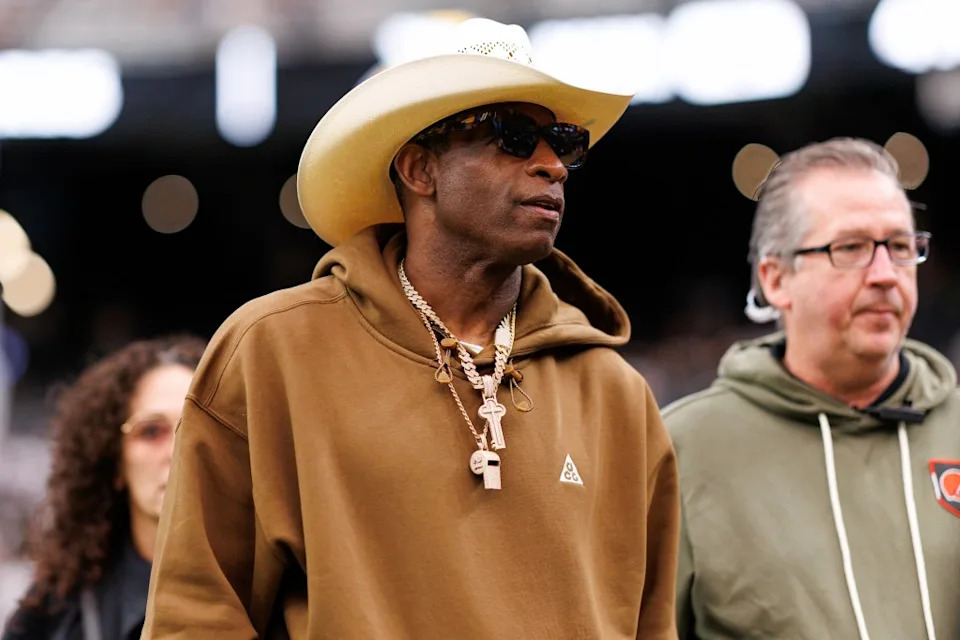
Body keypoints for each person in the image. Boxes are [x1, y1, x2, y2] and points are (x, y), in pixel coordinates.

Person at [142, 17, 679, 640]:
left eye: (564, 143)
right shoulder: (273, 351)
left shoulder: (617, 393)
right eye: (514, 137)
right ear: (420, 170)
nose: (552, 166)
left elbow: (652, 624)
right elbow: (198, 611)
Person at [665, 138, 960, 639]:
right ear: (775, 279)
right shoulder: (681, 450)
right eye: (851, 248)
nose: (886, 275)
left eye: (902, 247)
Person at [2, 335, 205, 640]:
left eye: (195, 428)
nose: (176, 451)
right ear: (114, 463)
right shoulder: (54, 613)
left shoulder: (274, 596)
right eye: (150, 431)